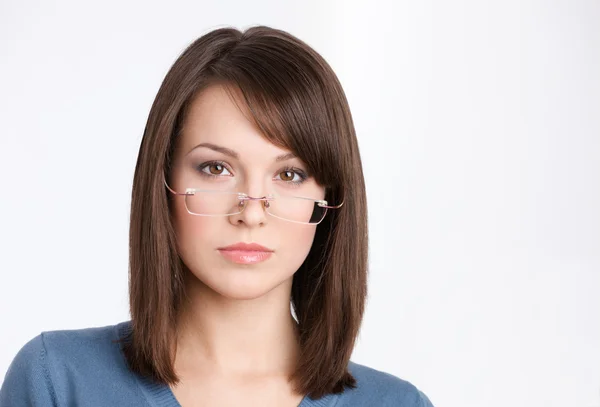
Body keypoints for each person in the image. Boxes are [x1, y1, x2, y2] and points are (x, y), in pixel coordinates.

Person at [0, 25, 434, 407]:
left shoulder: (399, 404)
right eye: (216, 169)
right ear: (163, 181)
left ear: (329, 198)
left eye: (290, 174)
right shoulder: (55, 381)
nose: (251, 211)